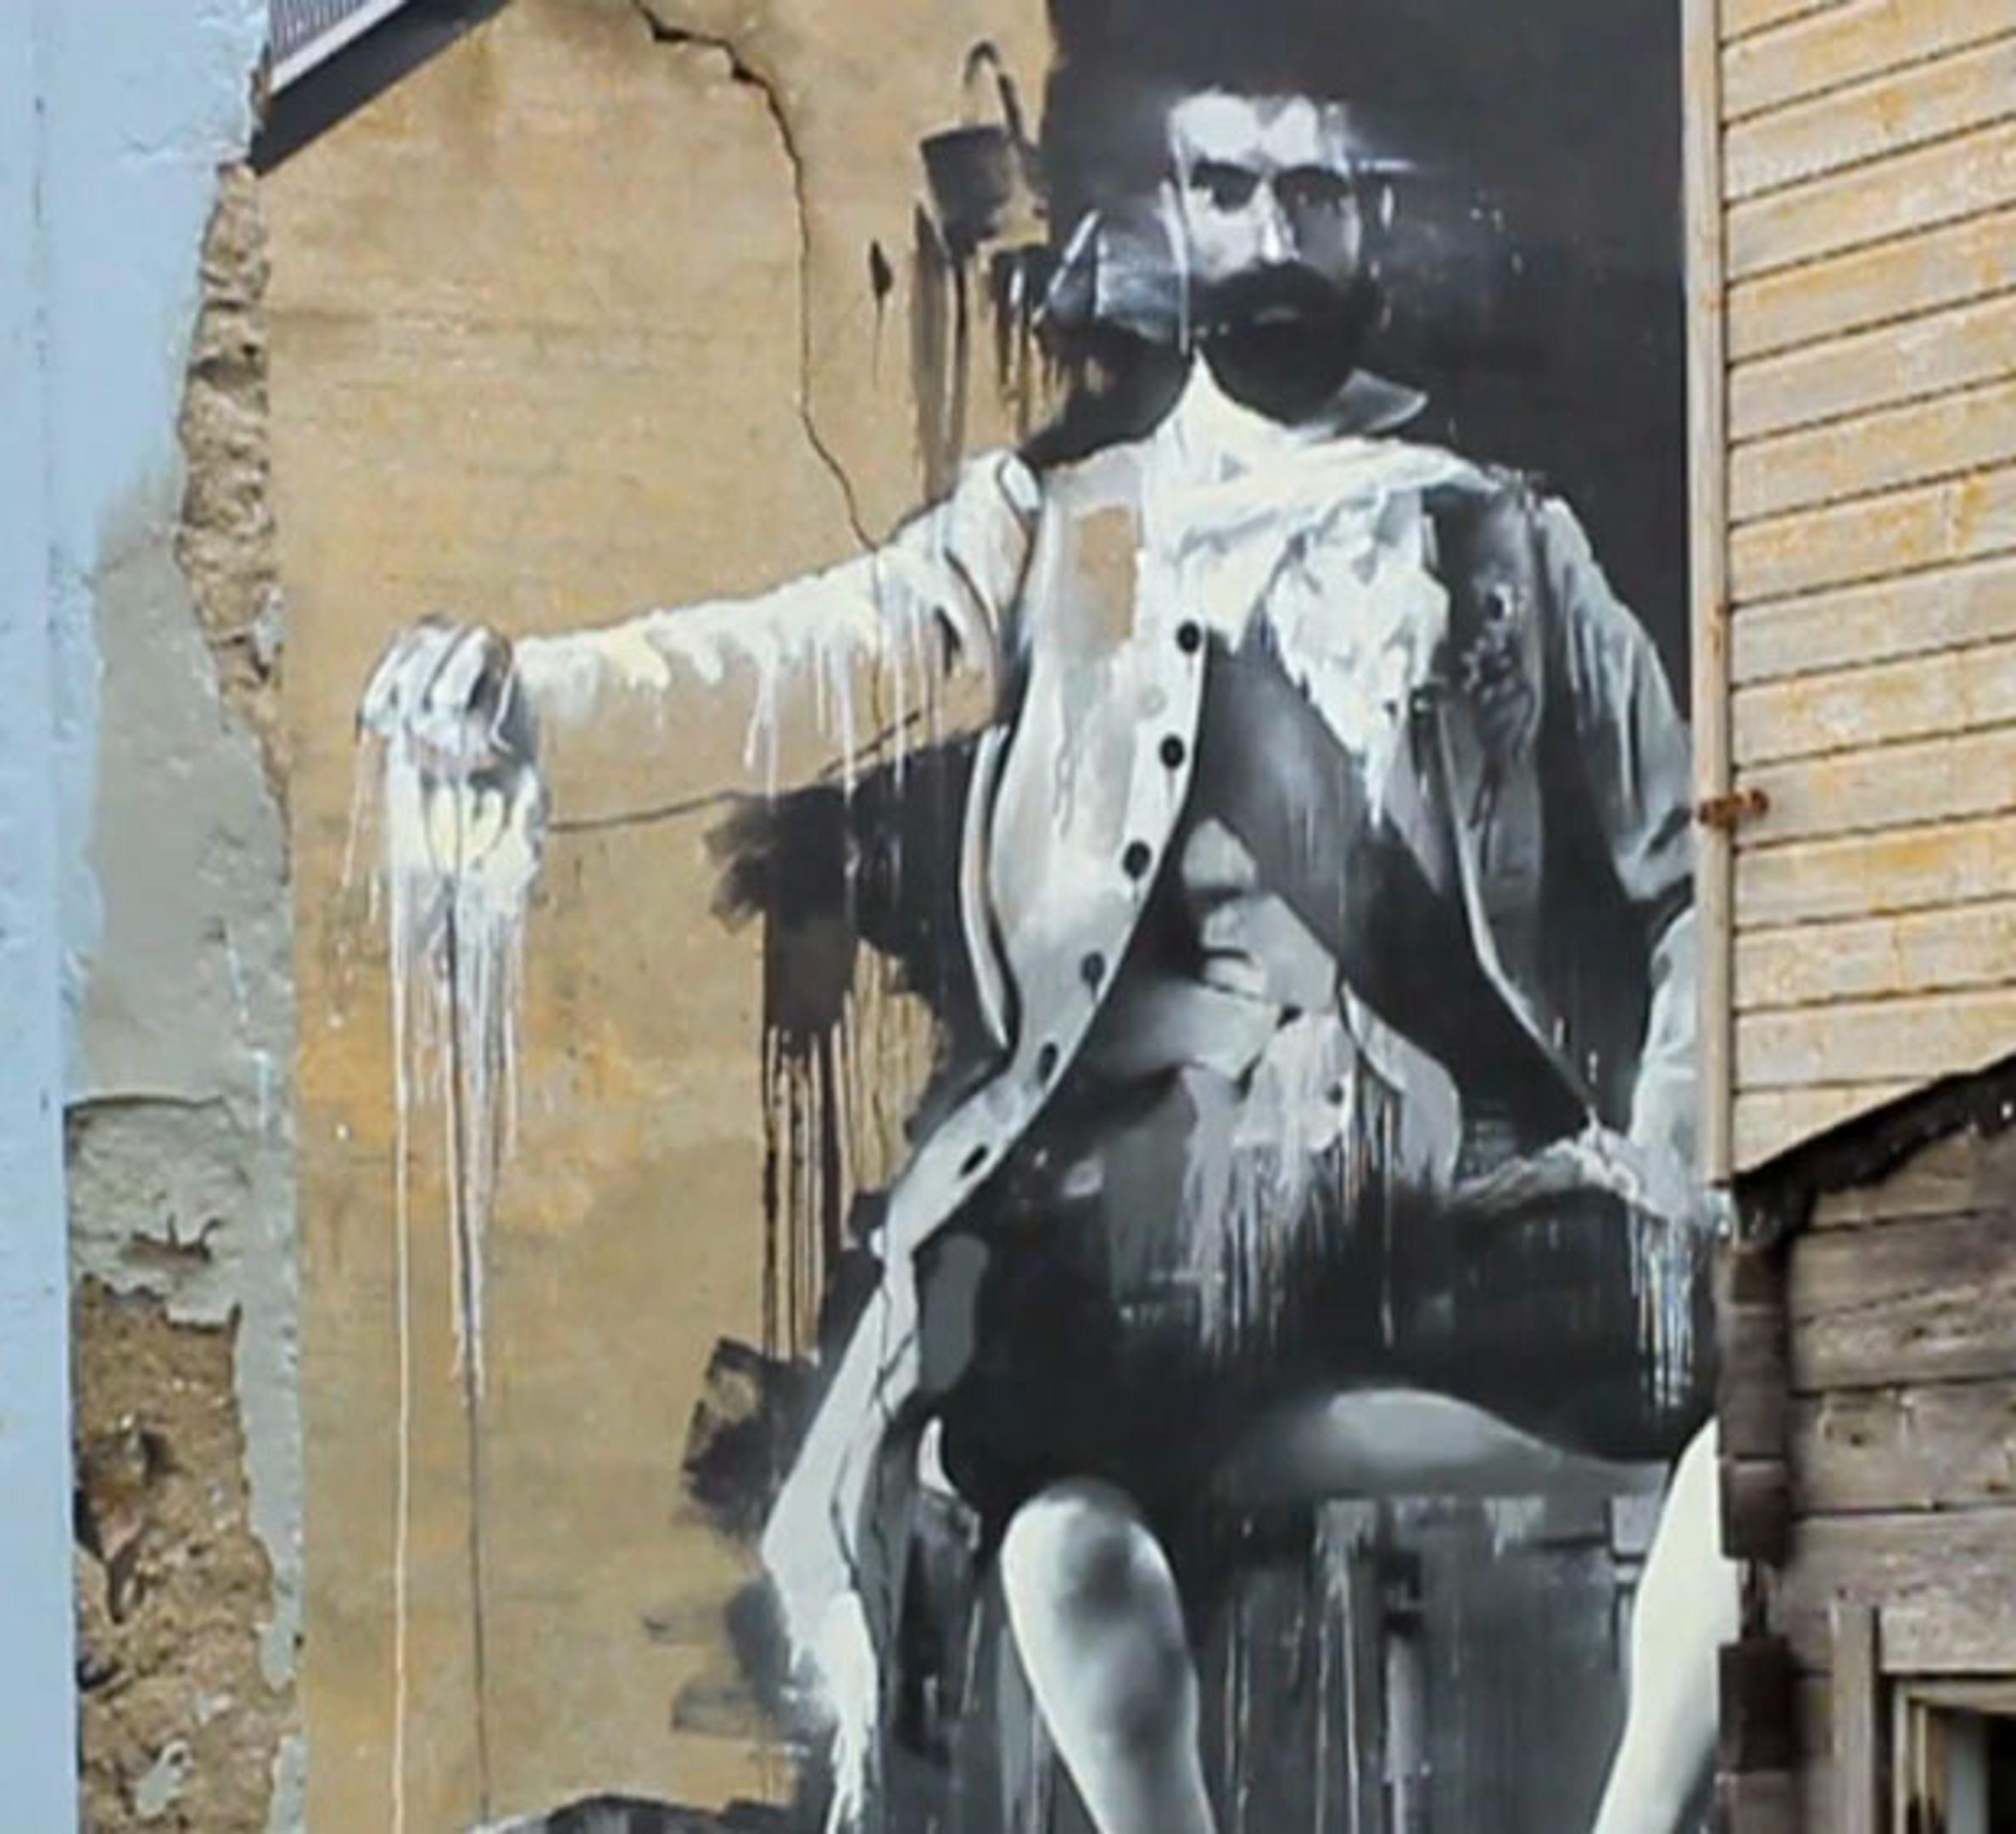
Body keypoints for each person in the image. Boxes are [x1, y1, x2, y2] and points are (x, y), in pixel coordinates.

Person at [358, 76, 1731, 1834]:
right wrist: (531, 691)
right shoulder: (1063, 524)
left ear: (1373, 225)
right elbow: (804, 658)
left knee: (1761, 1348)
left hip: (1450, 1183)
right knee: (1014, 1425)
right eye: (1231, 186)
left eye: (1317, 194)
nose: (1273, 232)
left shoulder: (1513, 543)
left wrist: (1675, 1142)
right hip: (1165, 1195)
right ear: (1175, 208)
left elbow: (1687, 879)